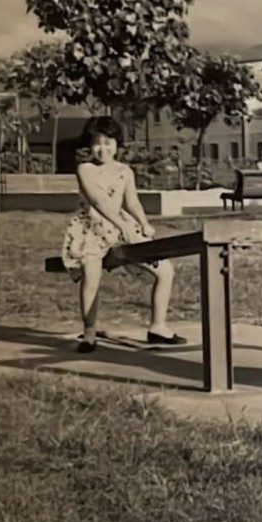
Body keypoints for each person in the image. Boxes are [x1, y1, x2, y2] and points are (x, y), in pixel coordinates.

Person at [60, 116, 186, 353]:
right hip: (92, 229)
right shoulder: (85, 169)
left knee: (165, 270)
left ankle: (158, 326)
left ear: (117, 144)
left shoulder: (124, 171)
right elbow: (99, 202)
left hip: (121, 228)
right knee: (91, 276)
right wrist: (123, 226)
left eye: (108, 142)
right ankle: (89, 332)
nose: (103, 148)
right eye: (97, 142)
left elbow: (132, 201)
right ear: (89, 145)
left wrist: (143, 223)